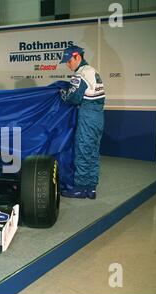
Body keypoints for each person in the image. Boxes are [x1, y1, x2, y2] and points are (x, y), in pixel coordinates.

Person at [58, 45, 105, 199]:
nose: (67, 64)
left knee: (83, 151)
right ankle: (91, 189)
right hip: (98, 116)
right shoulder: (93, 70)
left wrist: (63, 93)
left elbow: (73, 98)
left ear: (78, 57)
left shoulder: (81, 74)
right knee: (93, 153)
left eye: (69, 60)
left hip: (88, 115)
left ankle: (79, 188)